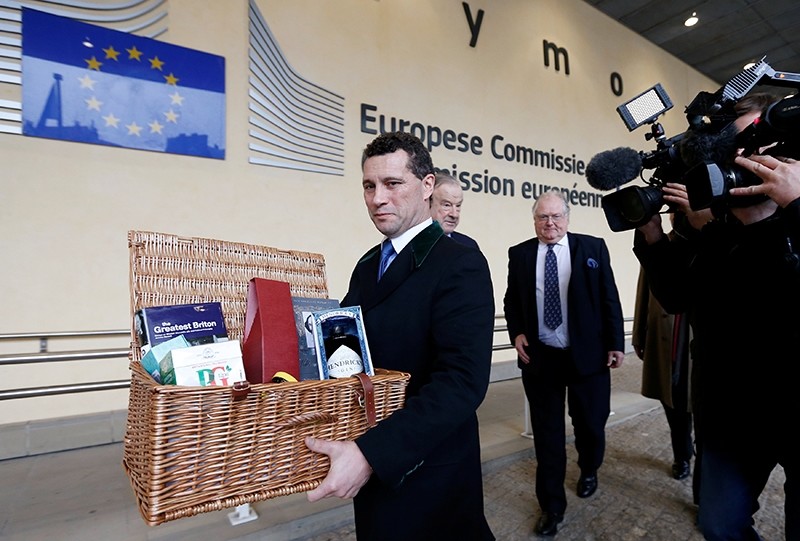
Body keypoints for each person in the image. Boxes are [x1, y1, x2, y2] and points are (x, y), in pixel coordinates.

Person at [304, 131, 496, 541]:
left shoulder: (459, 263)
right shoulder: (369, 263)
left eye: (393, 184)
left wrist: (372, 454)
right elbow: (348, 349)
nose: (378, 198)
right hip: (373, 460)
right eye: (369, 186)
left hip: (429, 471)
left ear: (427, 186)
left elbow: (462, 382)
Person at [633, 92, 800, 540]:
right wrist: (652, 235)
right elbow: (676, 295)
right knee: (720, 524)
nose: (744, 157)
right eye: (733, 148)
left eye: (755, 143)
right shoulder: (719, 230)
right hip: (733, 414)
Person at [503, 189, 625, 537]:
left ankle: (589, 467)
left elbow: (609, 297)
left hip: (588, 357)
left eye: (556, 216)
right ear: (535, 220)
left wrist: (616, 343)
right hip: (542, 359)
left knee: (590, 424)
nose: (550, 223)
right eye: (543, 217)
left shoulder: (592, 248)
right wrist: (518, 333)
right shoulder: (521, 254)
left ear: (568, 219)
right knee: (548, 436)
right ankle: (551, 506)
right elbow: (512, 299)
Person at [631, 217, 695, 483]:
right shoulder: (659, 243)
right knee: (672, 398)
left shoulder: (714, 241)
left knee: (698, 400)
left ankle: (707, 472)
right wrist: (638, 336)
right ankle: (682, 455)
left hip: (694, 340)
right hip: (665, 338)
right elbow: (644, 291)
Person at [430, 171, 480, 249]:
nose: (454, 214)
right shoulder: (411, 243)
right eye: (447, 205)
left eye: (458, 206)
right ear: (428, 204)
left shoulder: (469, 246)